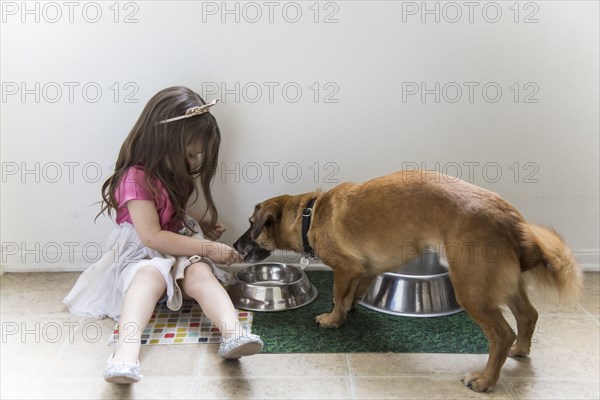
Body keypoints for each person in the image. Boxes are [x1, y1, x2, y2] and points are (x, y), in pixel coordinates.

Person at [63, 86, 263, 384]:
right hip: (140, 253)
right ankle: (125, 355)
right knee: (149, 277)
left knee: (200, 274)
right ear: (165, 141)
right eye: (191, 152)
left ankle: (234, 333)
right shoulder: (135, 177)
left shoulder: (173, 170)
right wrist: (209, 247)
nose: (194, 160)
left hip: (176, 244)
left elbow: (171, 212)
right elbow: (153, 237)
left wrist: (202, 222)